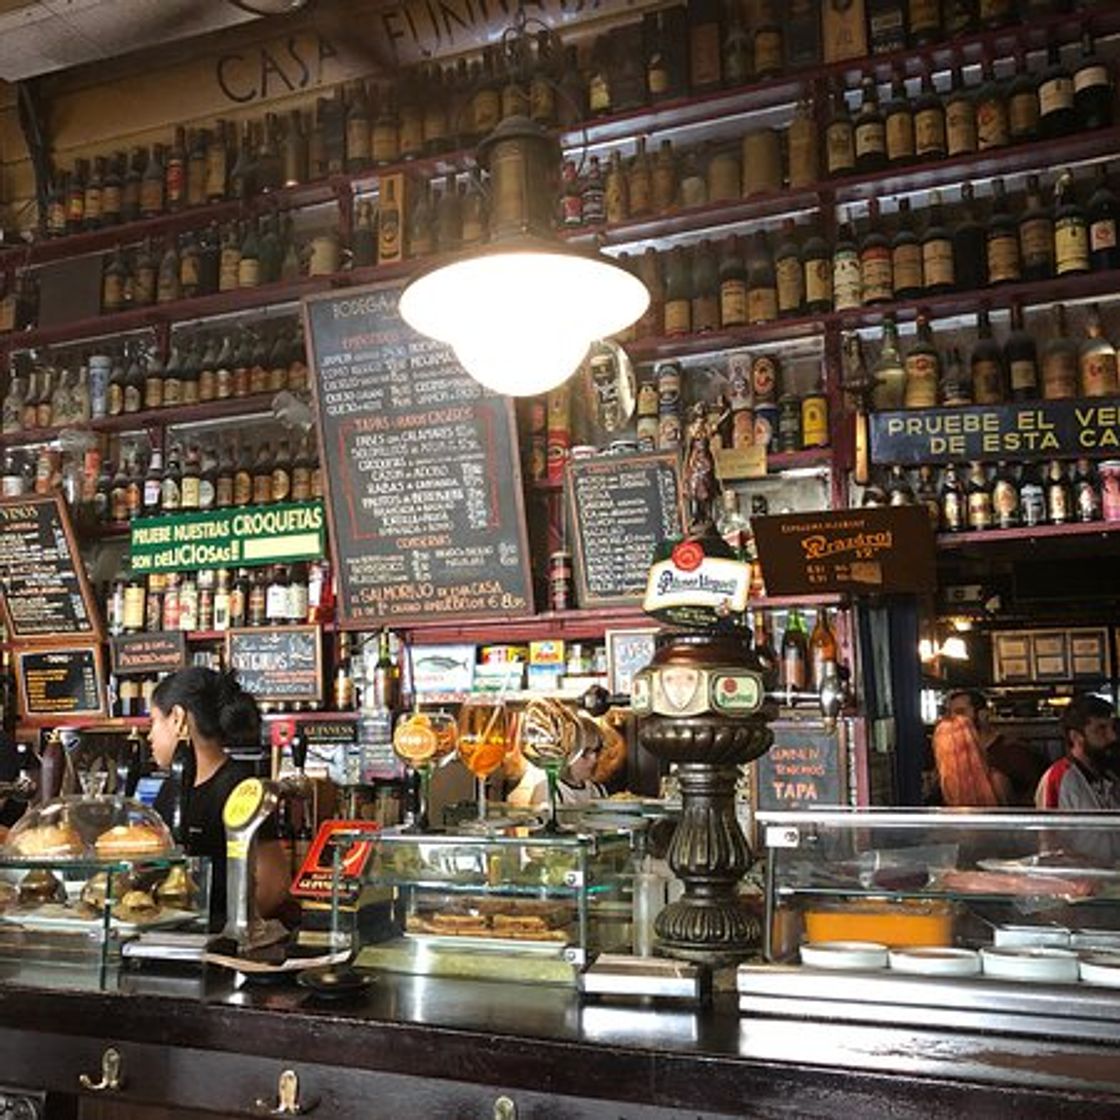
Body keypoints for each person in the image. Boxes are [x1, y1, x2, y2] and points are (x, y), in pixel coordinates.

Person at [148, 667, 290, 929]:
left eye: (154, 721)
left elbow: (273, 884)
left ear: (178, 718)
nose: (150, 735)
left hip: (217, 950)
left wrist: (224, 931)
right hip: (173, 941)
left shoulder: (239, 786)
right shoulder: (170, 787)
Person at [1035, 694, 1120, 865]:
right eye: (1101, 729)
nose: (1112, 737)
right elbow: (1050, 844)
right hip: (1083, 883)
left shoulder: (1108, 775)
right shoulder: (1059, 778)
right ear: (1076, 737)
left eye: (1112, 728)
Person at [944, 690, 1045, 806]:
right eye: (949, 714)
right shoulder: (954, 757)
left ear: (983, 715)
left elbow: (1037, 803)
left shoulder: (1016, 753)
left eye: (960, 712)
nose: (953, 720)